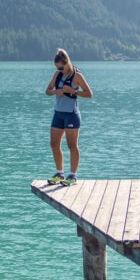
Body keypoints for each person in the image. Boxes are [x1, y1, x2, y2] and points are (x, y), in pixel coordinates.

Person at [45, 48, 93, 184]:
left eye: (61, 67)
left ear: (67, 63)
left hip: (71, 114)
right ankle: (60, 174)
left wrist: (73, 91)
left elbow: (89, 94)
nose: (59, 69)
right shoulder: (57, 75)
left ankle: (72, 176)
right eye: (57, 67)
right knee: (54, 144)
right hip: (58, 113)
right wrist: (56, 92)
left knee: (72, 146)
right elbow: (47, 91)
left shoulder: (77, 76)